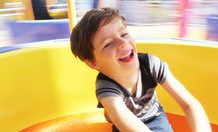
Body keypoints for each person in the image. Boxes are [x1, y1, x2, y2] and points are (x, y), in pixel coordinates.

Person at [70, 8, 212, 132]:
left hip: (155, 117)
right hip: (125, 124)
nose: (122, 43)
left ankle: (110, 115)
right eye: (108, 44)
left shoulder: (150, 64)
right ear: (93, 63)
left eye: (124, 34)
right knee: (117, 115)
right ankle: (110, 114)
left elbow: (190, 105)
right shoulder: (106, 87)